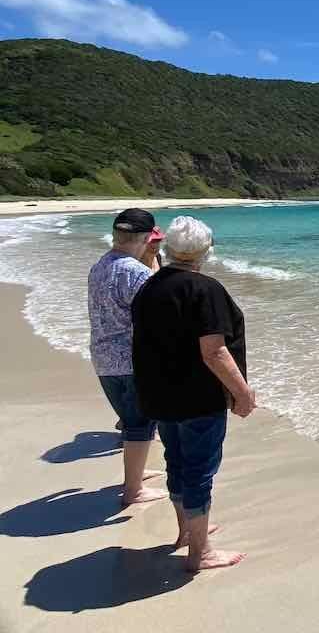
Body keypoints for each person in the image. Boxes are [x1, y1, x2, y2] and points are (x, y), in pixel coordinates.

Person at [132, 216, 256, 572]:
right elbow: (214, 351)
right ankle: (200, 552)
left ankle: (188, 531)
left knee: (177, 462)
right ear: (205, 251)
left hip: (159, 393)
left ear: (169, 248)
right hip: (197, 397)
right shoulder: (203, 289)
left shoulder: (149, 287)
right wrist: (242, 392)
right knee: (199, 470)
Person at [87, 208, 166, 505]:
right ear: (146, 238)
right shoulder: (137, 273)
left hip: (102, 358)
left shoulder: (99, 266)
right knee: (140, 425)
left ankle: (137, 472)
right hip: (132, 360)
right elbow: (157, 317)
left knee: (131, 421)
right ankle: (133, 490)